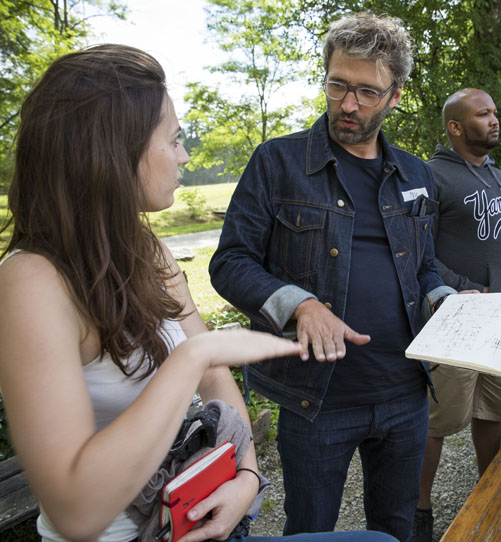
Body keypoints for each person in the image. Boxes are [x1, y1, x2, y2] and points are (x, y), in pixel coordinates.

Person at [0, 44, 396, 542]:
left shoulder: (147, 250)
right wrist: (194, 355)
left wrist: (247, 475)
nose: (184, 156)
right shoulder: (30, 282)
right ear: (113, 153)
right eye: (174, 140)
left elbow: (214, 378)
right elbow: (76, 514)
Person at [209, 12, 456, 542]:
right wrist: (301, 304)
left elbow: (423, 266)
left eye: (367, 92)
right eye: (338, 85)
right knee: (310, 531)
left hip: (405, 393)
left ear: (394, 96)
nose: (348, 104)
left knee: (395, 527)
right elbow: (230, 263)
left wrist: (444, 299)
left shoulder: (416, 173)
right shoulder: (277, 162)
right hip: (315, 398)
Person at [412, 88, 501, 542]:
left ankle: (492, 490)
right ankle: (419, 512)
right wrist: (463, 288)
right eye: (482, 113)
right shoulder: (432, 176)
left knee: (493, 411)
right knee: (437, 421)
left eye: (494, 111)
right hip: (462, 321)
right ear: (455, 126)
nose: (494, 119)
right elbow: (416, 248)